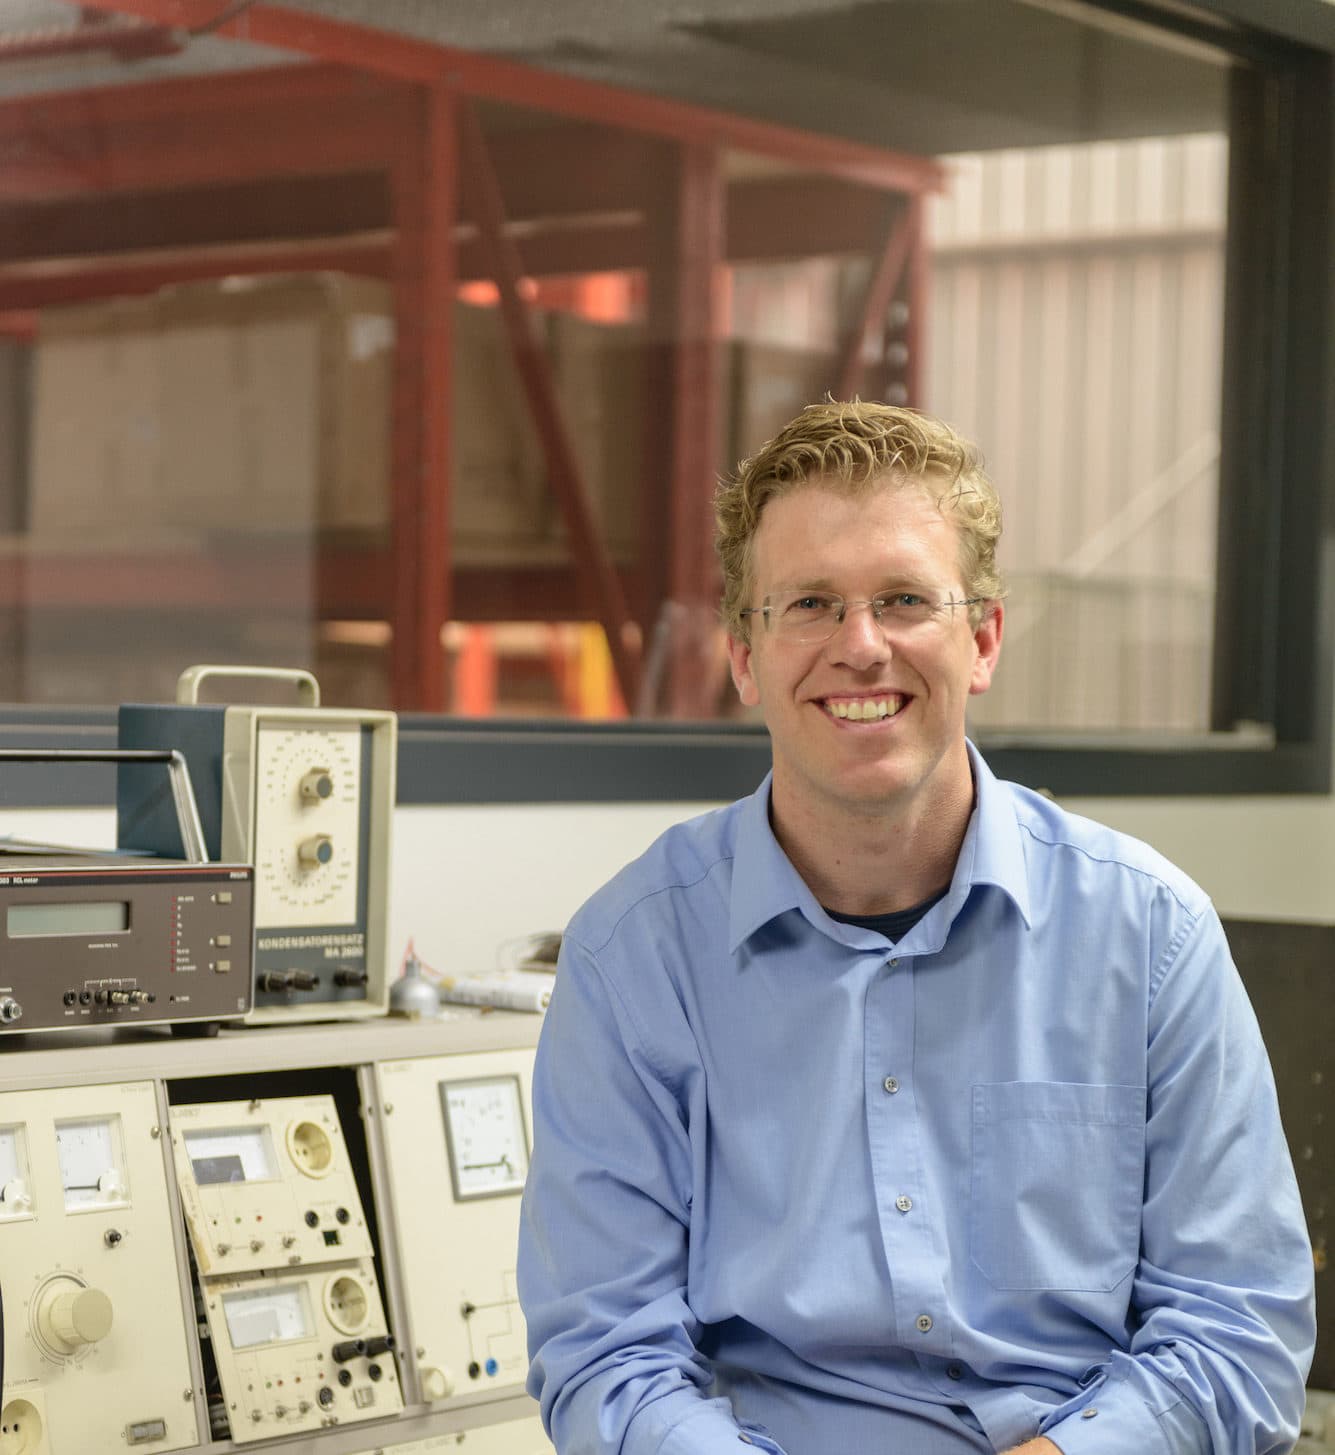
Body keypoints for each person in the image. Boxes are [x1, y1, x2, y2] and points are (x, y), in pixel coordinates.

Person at [517, 401, 1316, 1455]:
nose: (860, 647)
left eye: (903, 599)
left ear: (981, 639)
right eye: (810, 603)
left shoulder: (1151, 936)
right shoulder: (633, 960)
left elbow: (1238, 1329)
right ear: (745, 656)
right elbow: (606, 1357)